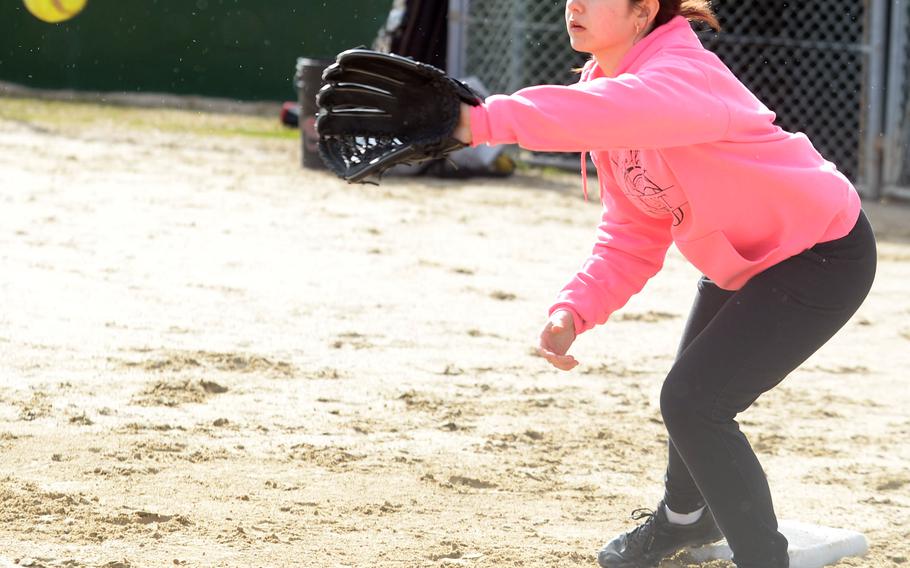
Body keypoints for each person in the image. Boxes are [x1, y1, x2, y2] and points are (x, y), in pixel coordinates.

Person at [452, 1, 877, 567]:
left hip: (822, 252)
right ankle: (685, 519)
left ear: (642, 13)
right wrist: (575, 308)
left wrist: (479, 121)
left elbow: (604, 112)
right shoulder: (607, 87)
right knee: (691, 396)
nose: (573, 4)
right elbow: (633, 229)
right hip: (742, 260)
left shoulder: (682, 76)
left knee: (693, 401)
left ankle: (763, 559)